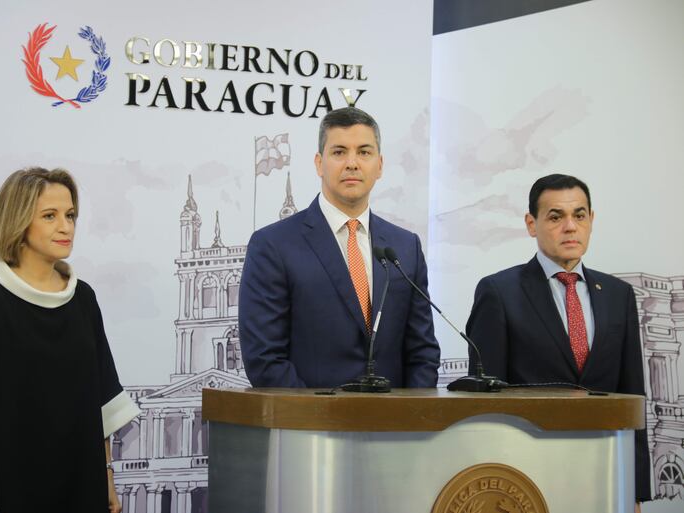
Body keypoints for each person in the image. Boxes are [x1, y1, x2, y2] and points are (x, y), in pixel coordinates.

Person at [0, 168, 140, 513]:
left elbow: (101, 402)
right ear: (19, 221)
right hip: (1, 488)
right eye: (50, 216)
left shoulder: (83, 299)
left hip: (77, 485)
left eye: (70, 215)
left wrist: (107, 480)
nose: (66, 226)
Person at [465, 173, 651, 506]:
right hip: (526, 481)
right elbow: (486, 405)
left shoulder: (618, 295)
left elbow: (632, 397)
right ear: (531, 224)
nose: (570, 226)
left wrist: (634, 490)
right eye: (555, 216)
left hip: (603, 478)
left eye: (579, 215)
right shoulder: (499, 293)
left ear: (591, 221)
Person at [239, 107, 441, 388]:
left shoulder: (405, 247)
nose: (352, 163)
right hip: (309, 427)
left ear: (380, 165)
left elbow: (423, 353)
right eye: (339, 152)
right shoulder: (273, 246)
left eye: (364, 152)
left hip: (394, 428)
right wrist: (323, 420)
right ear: (319, 163)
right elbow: (265, 359)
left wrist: (408, 419)